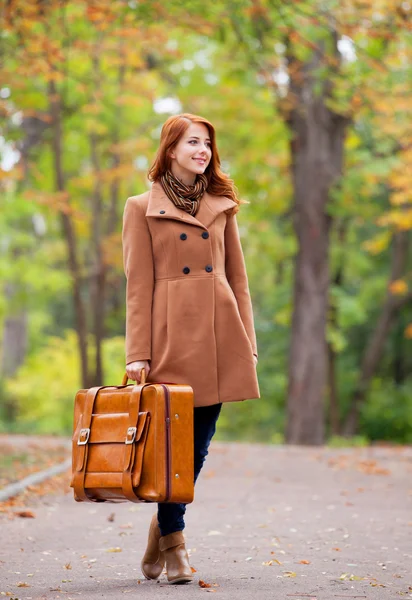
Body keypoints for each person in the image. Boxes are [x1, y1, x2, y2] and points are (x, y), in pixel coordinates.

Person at [122, 113, 260, 584]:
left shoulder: (222, 206)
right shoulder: (140, 207)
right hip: (169, 340)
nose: (203, 151)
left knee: (197, 448)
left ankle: (162, 526)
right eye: (193, 142)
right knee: (172, 446)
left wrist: (248, 342)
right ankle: (175, 542)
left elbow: (238, 279)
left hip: (221, 337)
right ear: (171, 149)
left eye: (207, 144)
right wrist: (136, 352)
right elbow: (137, 287)